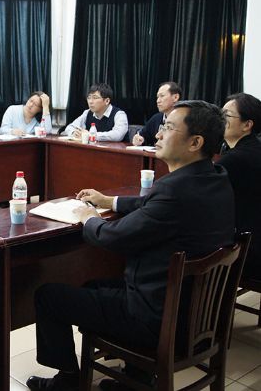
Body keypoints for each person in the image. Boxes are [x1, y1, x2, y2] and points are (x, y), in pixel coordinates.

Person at [27, 100, 235, 391]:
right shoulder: (215, 178)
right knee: (92, 286)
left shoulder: (173, 191)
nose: (158, 134)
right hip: (196, 315)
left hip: (155, 320)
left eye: (168, 127)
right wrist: (109, 201)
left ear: (195, 142)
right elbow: (152, 206)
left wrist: (89, 218)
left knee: (49, 296)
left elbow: (114, 237)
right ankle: (137, 379)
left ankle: (67, 382)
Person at [216, 93, 261, 281]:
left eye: (227, 115)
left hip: (248, 252)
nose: (220, 119)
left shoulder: (235, 160)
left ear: (247, 124)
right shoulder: (254, 149)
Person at [63, 83, 129, 142]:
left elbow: (118, 135)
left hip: (115, 151)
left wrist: (91, 135)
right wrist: (74, 132)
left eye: (95, 98)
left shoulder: (119, 114)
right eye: (89, 98)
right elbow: (69, 127)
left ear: (107, 101)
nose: (90, 101)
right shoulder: (87, 113)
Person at [133, 82, 182, 146]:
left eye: (162, 96)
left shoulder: (184, 120)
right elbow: (143, 136)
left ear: (175, 97)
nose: (158, 101)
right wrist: (139, 139)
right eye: (157, 97)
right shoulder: (157, 118)